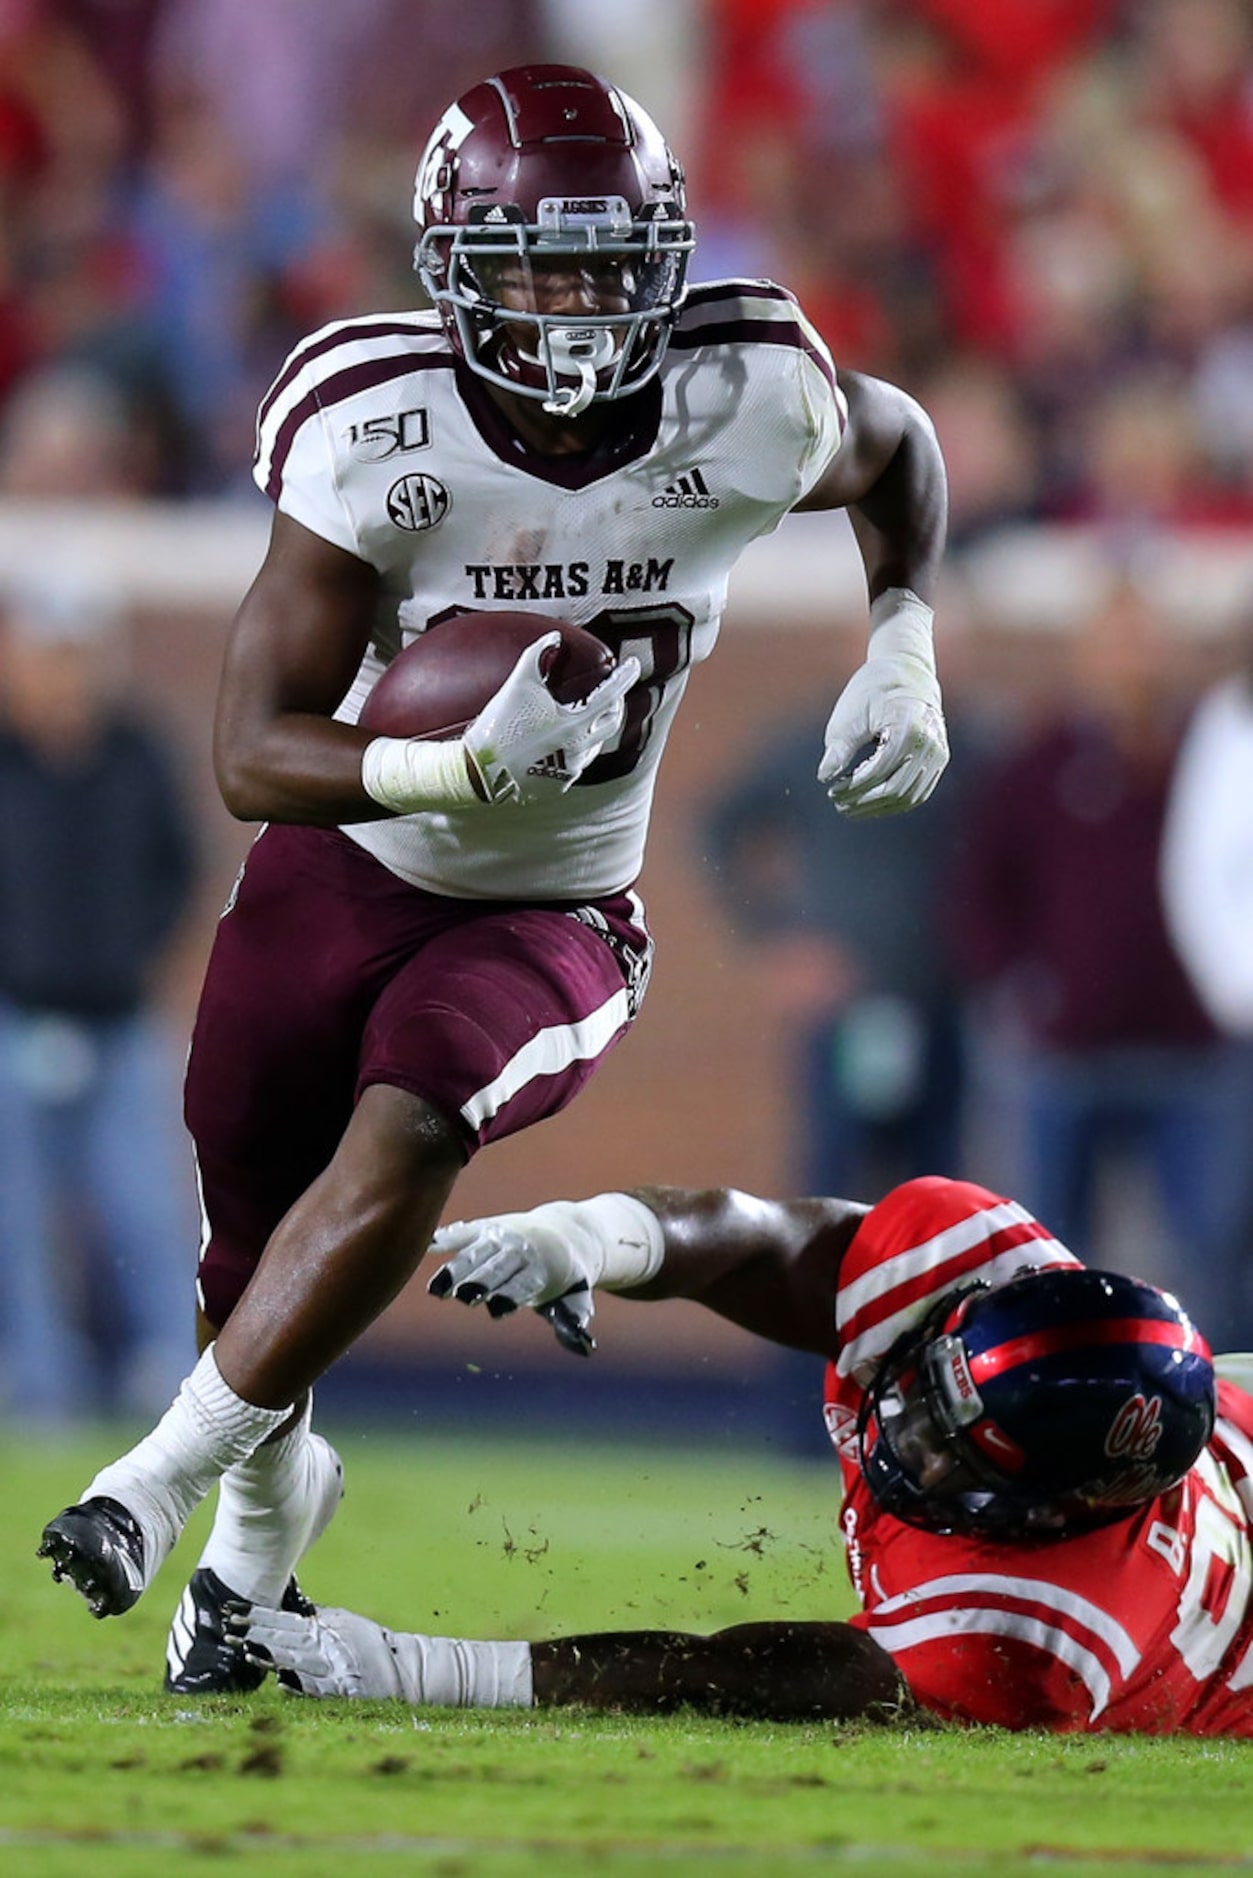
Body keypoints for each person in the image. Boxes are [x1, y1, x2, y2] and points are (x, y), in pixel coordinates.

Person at [36, 63, 950, 1696]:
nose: (576, 304)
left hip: (552, 905)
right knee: (244, 1250)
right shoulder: (374, 419)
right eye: (532, 262)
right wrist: (454, 767)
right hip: (340, 864)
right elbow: (254, 747)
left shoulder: (747, 390)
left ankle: (150, 1480)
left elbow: (896, 446)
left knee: (417, 1109)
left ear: (663, 255)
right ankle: (253, 1544)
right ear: (453, 265)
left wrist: (902, 634)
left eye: (605, 261)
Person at [234, 1172, 1252, 1736]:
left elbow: (738, 1674)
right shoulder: (975, 1269)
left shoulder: (1036, 1636)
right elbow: (765, 1239)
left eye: (956, 1452)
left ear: (1059, 1510)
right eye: (930, 1393)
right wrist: (590, 1235)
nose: (903, 1431)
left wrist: (425, 1670)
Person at [0, 573, 199, 1425]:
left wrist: (135, 957)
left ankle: (175, 1376)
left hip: (119, 1021)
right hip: (14, 1017)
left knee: (147, 1210)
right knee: (18, 1217)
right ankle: (42, 1378)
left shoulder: (138, 752)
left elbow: (177, 870)